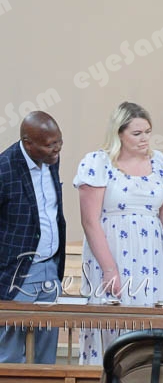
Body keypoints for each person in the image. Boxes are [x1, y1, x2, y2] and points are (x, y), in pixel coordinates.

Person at [74, 101, 163, 364]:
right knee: (113, 321)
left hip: (152, 256)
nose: (145, 139)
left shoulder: (159, 162)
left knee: (151, 327)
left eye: (148, 132)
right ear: (119, 133)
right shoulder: (98, 162)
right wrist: (110, 269)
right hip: (113, 253)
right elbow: (89, 221)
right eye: (137, 133)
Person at [0, 112, 65, 364]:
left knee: (46, 353)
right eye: (50, 144)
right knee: (9, 354)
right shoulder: (5, 168)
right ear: (28, 144)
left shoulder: (51, 159)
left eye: (59, 141)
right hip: (15, 272)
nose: (57, 149)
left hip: (50, 268)